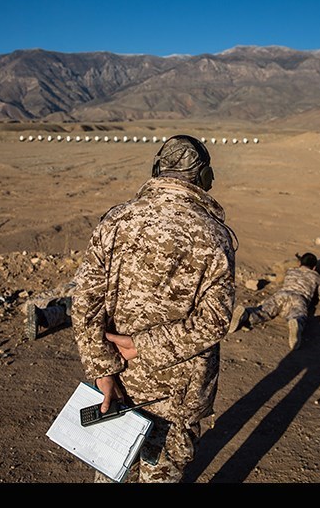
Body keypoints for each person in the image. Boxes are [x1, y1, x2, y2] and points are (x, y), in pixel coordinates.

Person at [70, 134, 236, 483]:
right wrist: (145, 345)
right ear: (203, 177)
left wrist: (103, 369)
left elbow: (85, 302)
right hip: (178, 390)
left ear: (157, 170)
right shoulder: (214, 234)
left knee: (112, 471)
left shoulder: (115, 221)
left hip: (119, 381)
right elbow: (215, 320)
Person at [229, 251, 320, 350]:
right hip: (299, 298)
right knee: (298, 315)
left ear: (299, 263)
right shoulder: (316, 276)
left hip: (282, 294)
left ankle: (246, 314)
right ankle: (296, 324)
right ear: (314, 267)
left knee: (264, 311)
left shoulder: (291, 270)